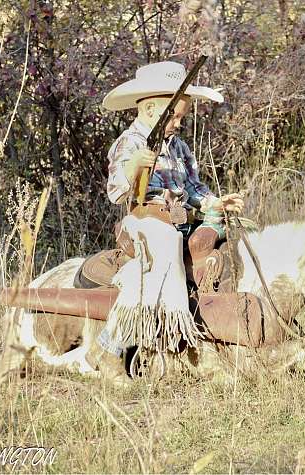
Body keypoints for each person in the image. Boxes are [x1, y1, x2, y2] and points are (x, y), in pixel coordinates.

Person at [86, 61, 244, 382]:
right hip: (144, 220)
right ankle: (112, 347)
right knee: (164, 255)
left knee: (221, 242)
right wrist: (133, 167)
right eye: (174, 117)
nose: (177, 124)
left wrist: (215, 202)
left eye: (181, 118)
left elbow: (194, 188)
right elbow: (116, 191)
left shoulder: (179, 147)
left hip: (177, 221)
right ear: (150, 111)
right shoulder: (129, 143)